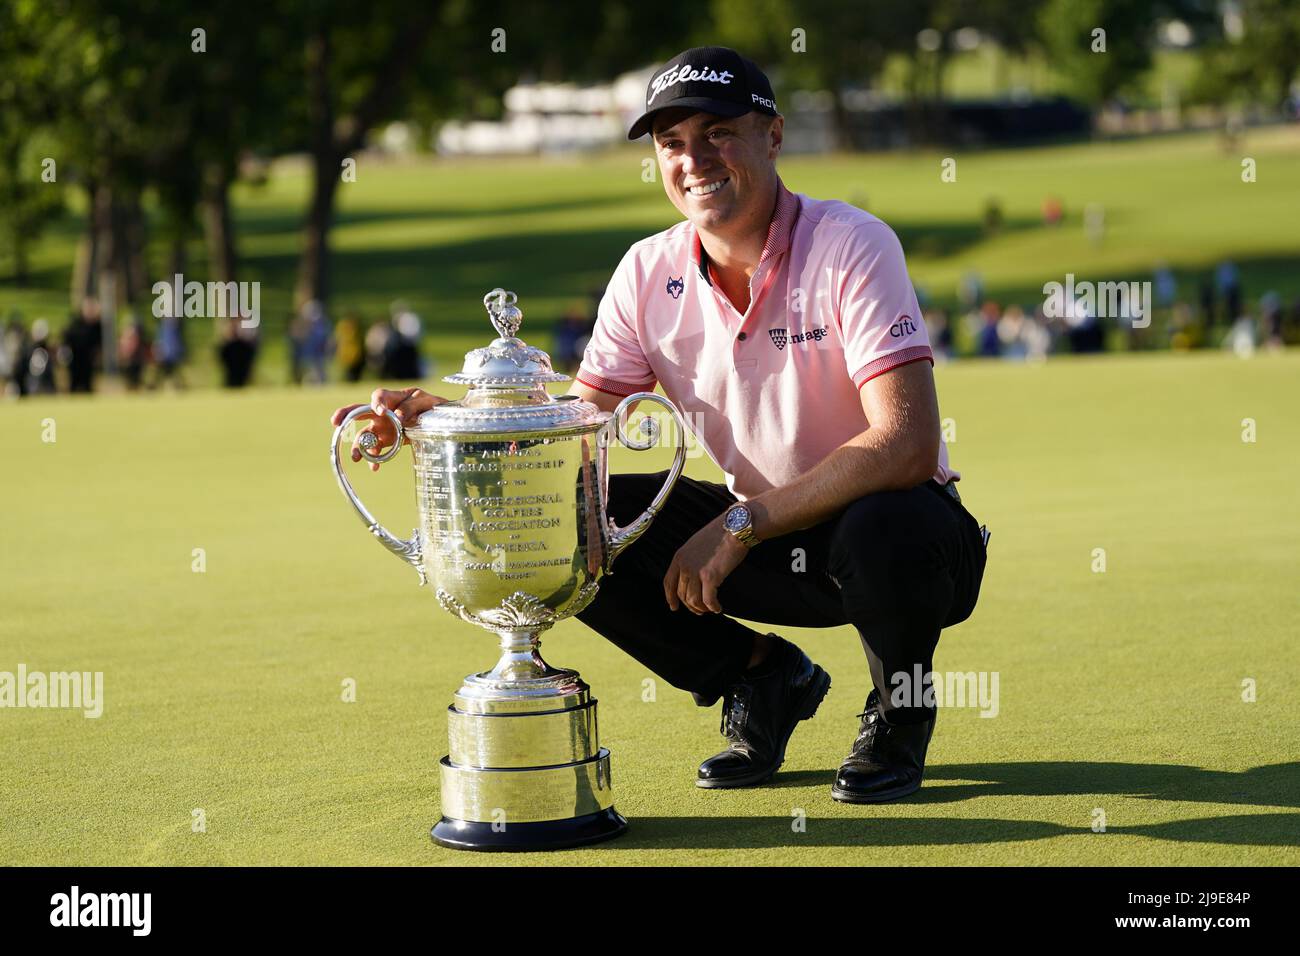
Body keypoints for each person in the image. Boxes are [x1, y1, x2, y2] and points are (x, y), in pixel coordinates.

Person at [331, 46, 988, 804]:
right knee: (581, 513)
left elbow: (904, 443)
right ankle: (761, 678)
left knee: (883, 523)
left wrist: (740, 524)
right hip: (772, 543)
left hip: (911, 541)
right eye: (671, 143)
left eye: (717, 133)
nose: (693, 159)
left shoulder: (851, 243)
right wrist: (444, 426)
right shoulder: (647, 272)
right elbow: (572, 440)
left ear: (772, 136)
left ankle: (898, 715)